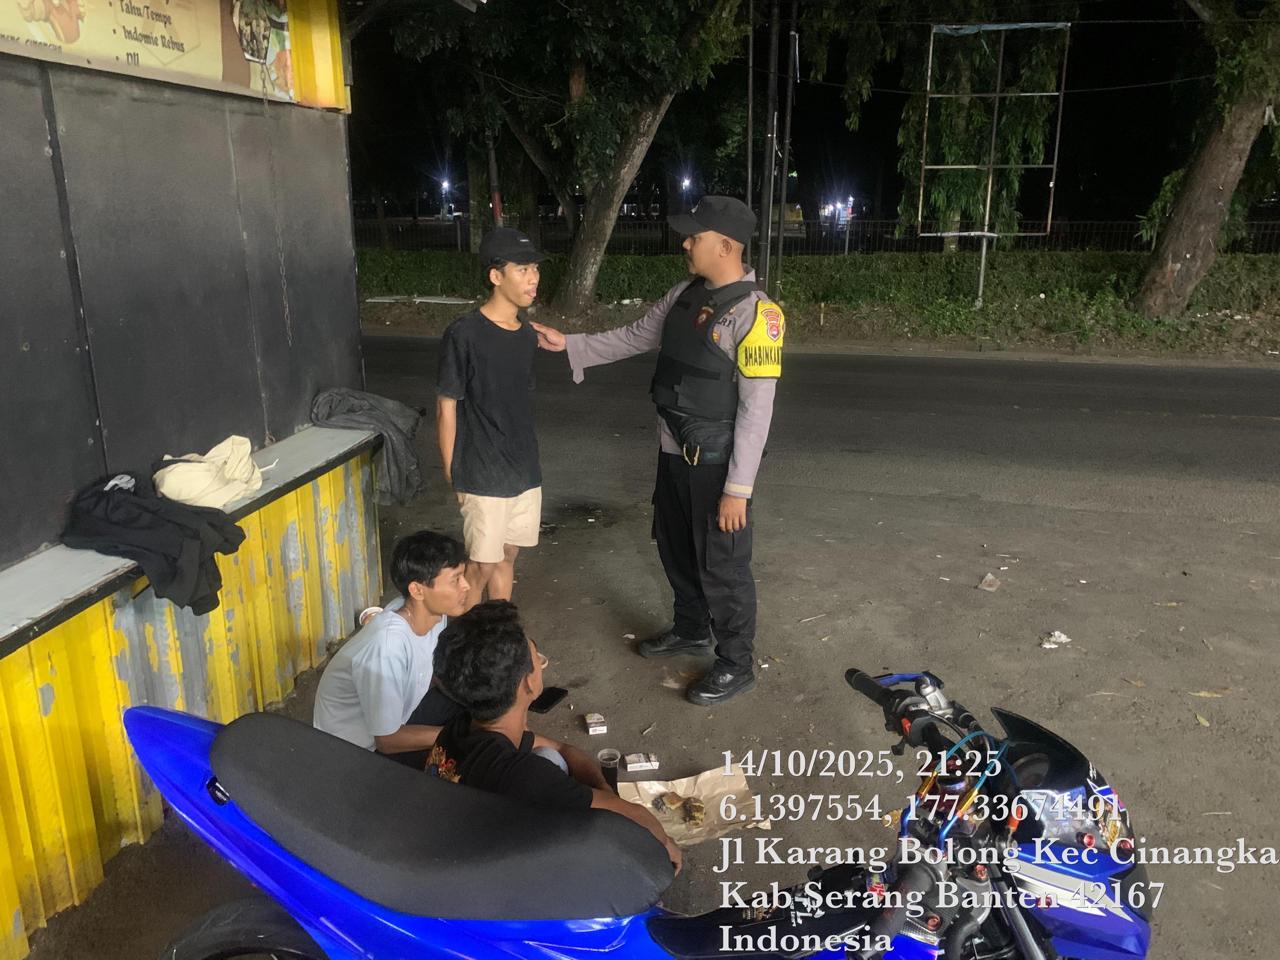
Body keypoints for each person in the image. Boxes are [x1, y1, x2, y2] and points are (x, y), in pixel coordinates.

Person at [531, 196, 783, 706]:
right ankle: (691, 628)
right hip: (674, 452)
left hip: (718, 465)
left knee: (723, 567)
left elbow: (756, 411)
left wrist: (738, 490)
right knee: (675, 547)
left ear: (726, 246)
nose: (685, 243)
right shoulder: (684, 294)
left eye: (695, 236)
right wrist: (571, 344)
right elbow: (634, 336)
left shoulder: (759, 316)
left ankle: (736, 664)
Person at [429, 601, 682, 874]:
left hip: (454, 841)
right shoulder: (522, 775)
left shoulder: (459, 728)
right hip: (488, 875)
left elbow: (561, 748)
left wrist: (605, 794)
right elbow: (638, 816)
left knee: (550, 757)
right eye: (536, 656)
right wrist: (666, 846)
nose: (541, 662)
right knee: (651, 857)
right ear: (528, 682)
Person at [436, 227, 547, 610]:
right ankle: (468, 640)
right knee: (481, 565)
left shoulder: (527, 335)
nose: (533, 278)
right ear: (496, 276)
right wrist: (452, 471)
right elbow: (447, 406)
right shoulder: (464, 334)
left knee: (508, 555)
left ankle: (499, 633)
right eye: (522, 269)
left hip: (524, 470)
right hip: (482, 470)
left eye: (535, 268)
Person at [313, 531, 470, 767]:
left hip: (397, 723)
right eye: (455, 579)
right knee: (469, 749)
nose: (467, 586)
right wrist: (462, 736)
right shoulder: (387, 647)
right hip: (358, 755)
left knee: (483, 704)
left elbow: (434, 672)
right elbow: (387, 740)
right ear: (417, 590)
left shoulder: (434, 616)